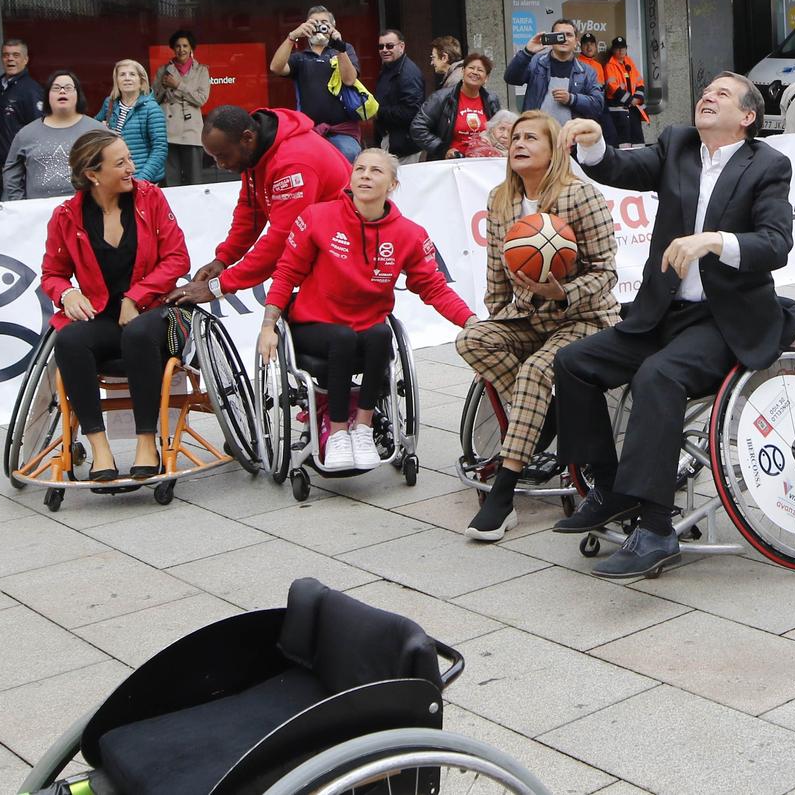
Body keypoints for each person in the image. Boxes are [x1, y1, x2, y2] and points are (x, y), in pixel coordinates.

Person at [550, 73, 795, 578]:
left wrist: (714, 241)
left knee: (658, 376)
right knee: (574, 361)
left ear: (747, 117)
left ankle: (656, 528)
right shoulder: (679, 143)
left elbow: (776, 244)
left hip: (726, 319)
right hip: (661, 313)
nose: (707, 97)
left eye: (722, 95)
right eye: (705, 91)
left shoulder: (769, 165)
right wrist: (594, 140)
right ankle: (610, 488)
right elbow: (623, 167)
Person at [260, 148, 473, 471]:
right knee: (343, 338)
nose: (365, 176)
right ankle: (337, 433)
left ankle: (362, 427)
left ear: (392, 185)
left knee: (380, 333)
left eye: (376, 171)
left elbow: (433, 287)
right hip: (315, 326)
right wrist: (268, 325)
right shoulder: (318, 217)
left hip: (367, 327)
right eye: (360, 169)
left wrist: (469, 321)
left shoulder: (409, 234)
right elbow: (286, 272)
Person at [459, 111, 619, 539]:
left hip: (583, 318)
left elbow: (606, 273)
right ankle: (546, 416)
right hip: (530, 317)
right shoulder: (500, 200)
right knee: (472, 339)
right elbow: (496, 274)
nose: (519, 144)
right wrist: (497, 319)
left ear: (554, 150)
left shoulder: (580, 196)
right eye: (514, 138)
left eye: (531, 137)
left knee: (533, 372)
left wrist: (562, 293)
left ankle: (503, 495)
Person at [38, 130, 189, 482]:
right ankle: (99, 449)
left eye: (130, 160)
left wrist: (135, 296)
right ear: (93, 174)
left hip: (154, 312)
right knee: (70, 340)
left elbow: (177, 259)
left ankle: (147, 443)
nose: (131, 169)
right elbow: (52, 273)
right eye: (120, 163)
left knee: (136, 332)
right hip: (104, 315)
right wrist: (66, 294)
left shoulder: (150, 199)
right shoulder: (66, 215)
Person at [165, 104, 352, 308]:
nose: (221, 165)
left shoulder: (294, 163)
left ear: (247, 138)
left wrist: (218, 286)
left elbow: (282, 240)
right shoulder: (254, 149)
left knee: (305, 320)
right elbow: (250, 211)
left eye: (223, 155)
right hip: (320, 242)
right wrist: (223, 259)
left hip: (343, 249)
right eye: (214, 158)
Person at [270, 5, 367, 161]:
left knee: (348, 159)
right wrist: (292, 36)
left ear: (332, 26)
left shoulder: (343, 49)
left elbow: (349, 79)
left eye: (323, 23)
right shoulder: (300, 57)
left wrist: (338, 44)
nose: (318, 27)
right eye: (314, 23)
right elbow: (276, 67)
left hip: (343, 132)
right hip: (310, 132)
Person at [1, 72, 101, 203]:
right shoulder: (26, 133)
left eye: (68, 87)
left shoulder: (97, 131)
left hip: (87, 211)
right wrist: (20, 204)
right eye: (56, 88)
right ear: (47, 95)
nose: (62, 91)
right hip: (37, 214)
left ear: (78, 94)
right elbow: (11, 172)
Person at [504, 18, 603, 130]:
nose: (564, 39)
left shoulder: (587, 72)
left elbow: (598, 105)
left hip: (571, 139)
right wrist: (527, 52)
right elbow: (511, 78)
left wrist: (572, 99)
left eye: (569, 35)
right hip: (536, 135)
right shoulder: (536, 62)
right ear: (551, 39)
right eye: (560, 35)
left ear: (576, 42)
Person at [412, 46, 502, 160]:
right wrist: (443, 150)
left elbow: (498, 130)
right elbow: (418, 128)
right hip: (450, 164)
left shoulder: (491, 99)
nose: (475, 72)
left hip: (482, 164)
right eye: (471, 68)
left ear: (486, 78)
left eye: (480, 70)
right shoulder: (441, 98)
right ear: (463, 71)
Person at [154, 29, 211, 186]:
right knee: (170, 181)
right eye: (178, 46)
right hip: (168, 129)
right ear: (173, 48)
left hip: (191, 130)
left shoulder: (202, 71)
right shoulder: (162, 70)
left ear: (191, 47)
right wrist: (166, 87)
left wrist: (177, 85)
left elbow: (201, 99)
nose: (181, 50)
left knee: (194, 180)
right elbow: (155, 98)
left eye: (185, 46)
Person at [97, 59, 167, 186]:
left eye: (132, 74)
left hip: (144, 180)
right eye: (122, 74)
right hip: (117, 178)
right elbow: (91, 130)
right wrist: (101, 130)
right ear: (116, 80)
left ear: (141, 81)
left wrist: (140, 180)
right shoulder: (110, 103)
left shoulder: (151, 108)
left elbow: (159, 149)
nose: (127, 78)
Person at [0, 38, 45, 183]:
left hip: (22, 164)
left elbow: (38, 129)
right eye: (6, 55)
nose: (10, 59)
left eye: (15, 55)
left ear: (26, 59)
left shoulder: (31, 90)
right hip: (1, 164)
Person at [371, 28, 425, 160]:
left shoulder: (408, 73)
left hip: (405, 146)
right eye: (380, 46)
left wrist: (378, 112)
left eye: (389, 46)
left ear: (401, 46)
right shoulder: (389, 68)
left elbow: (411, 111)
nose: (384, 50)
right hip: (392, 141)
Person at [602, 35, 648, 146]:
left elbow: (639, 82)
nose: (621, 50)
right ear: (613, 50)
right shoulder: (609, 66)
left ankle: (639, 162)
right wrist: (630, 100)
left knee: (638, 142)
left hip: (633, 109)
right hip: (619, 111)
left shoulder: (629, 63)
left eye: (623, 48)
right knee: (623, 143)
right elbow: (613, 87)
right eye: (618, 48)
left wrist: (638, 98)